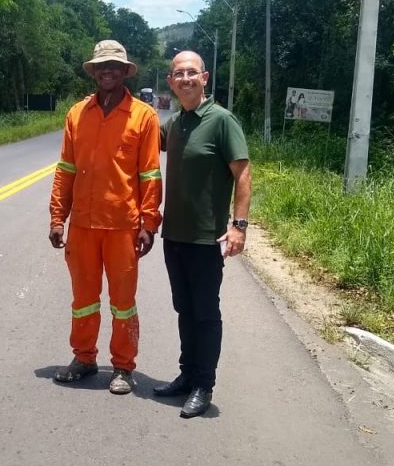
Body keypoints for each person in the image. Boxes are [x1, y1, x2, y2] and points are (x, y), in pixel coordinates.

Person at [49, 40, 162, 395]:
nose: (107, 71)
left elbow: (150, 174)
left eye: (114, 66)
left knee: (123, 303)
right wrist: (57, 217)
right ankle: (84, 358)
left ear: (124, 71)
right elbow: (65, 170)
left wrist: (149, 223)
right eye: (102, 67)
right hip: (82, 225)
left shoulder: (144, 116)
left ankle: (124, 367)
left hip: (122, 227)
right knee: (83, 299)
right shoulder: (77, 114)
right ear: (95, 72)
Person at [154, 50, 251, 418]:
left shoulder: (222, 120)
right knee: (184, 309)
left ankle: (203, 385)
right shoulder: (175, 123)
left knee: (206, 313)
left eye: (191, 73)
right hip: (174, 235)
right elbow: (141, 138)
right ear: (171, 81)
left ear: (205, 78)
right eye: (179, 74)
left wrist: (238, 226)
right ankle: (186, 375)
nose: (185, 79)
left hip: (206, 238)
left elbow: (243, 173)